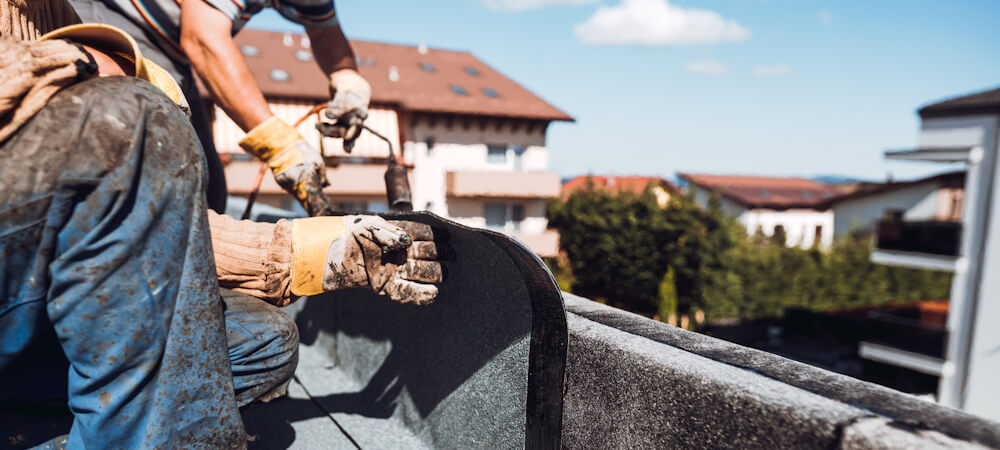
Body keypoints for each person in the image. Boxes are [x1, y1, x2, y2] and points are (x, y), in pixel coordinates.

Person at [0, 2, 440, 447]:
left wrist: (323, 249)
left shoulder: (54, 12)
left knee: (264, 340)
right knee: (143, 126)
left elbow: (149, 221)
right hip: (141, 51)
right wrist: (276, 141)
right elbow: (204, 38)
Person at [68, 0, 373, 216]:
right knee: (171, 174)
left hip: (170, 49)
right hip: (108, 16)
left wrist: (347, 78)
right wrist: (280, 144)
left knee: (209, 188)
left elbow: (323, 30)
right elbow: (203, 40)